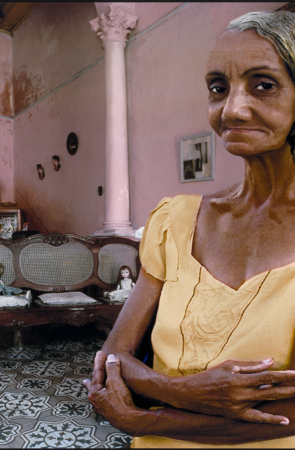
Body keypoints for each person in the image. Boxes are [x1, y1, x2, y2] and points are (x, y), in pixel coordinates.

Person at [84, 11, 295, 448]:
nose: (232, 109)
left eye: (264, 84)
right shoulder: (176, 220)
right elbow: (115, 356)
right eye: (218, 87)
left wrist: (147, 420)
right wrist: (184, 392)